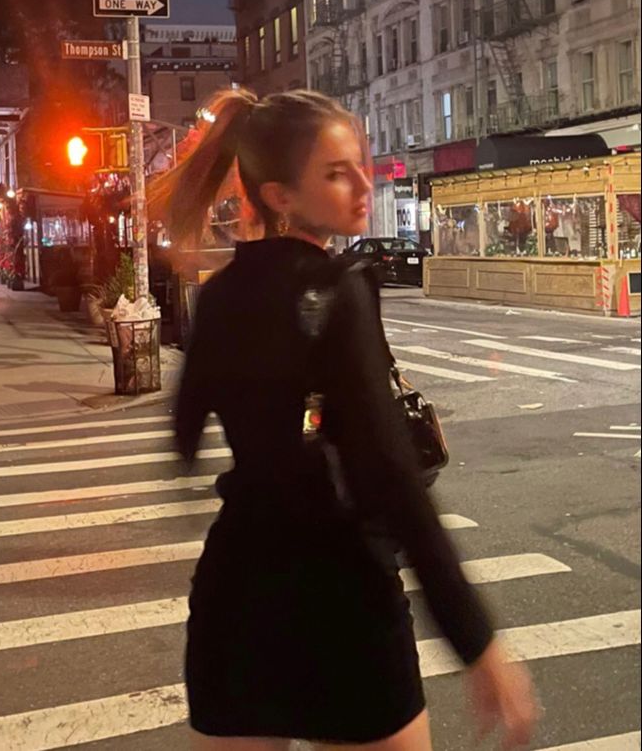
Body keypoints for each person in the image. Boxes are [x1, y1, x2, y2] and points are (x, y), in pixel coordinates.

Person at [149, 87, 539, 751]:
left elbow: (185, 436)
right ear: (280, 194)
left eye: (360, 164)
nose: (363, 183)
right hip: (343, 601)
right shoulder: (340, 291)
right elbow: (390, 473)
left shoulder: (215, 299)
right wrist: (476, 640)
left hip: (235, 601)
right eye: (337, 172)